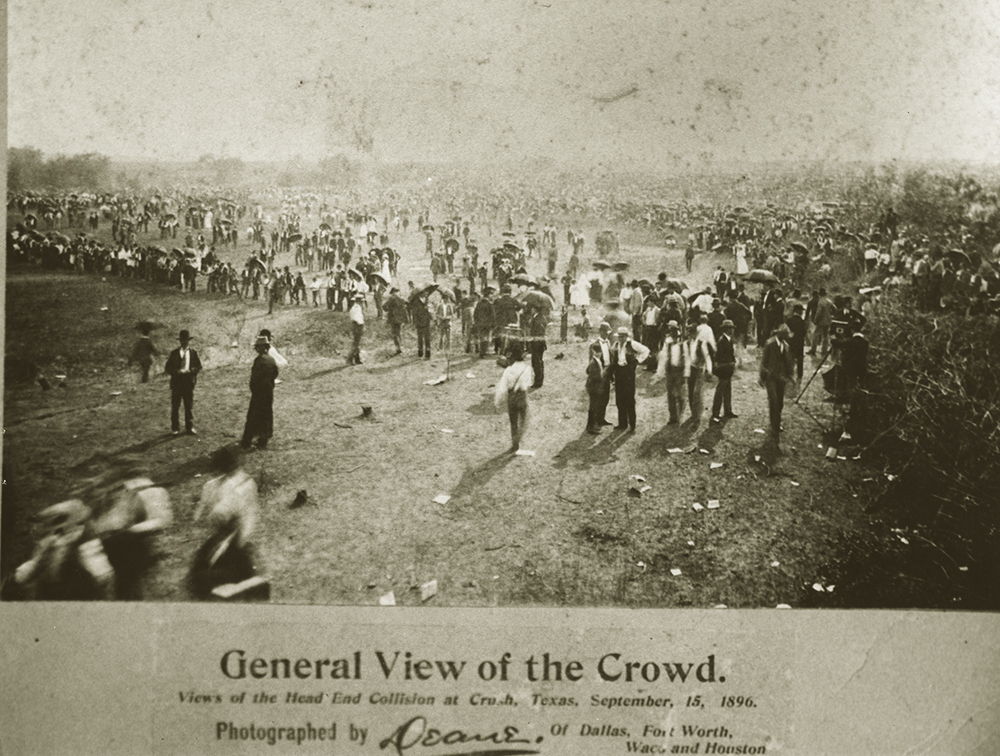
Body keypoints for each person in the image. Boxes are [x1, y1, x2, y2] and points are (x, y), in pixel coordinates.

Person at [189, 445, 264, 599]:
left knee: (234, 574)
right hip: (229, 535)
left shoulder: (241, 484)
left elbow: (224, 513)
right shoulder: (215, 485)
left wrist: (238, 536)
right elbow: (204, 515)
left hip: (234, 535)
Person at [240, 336, 279, 450]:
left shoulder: (259, 360)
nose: (256, 349)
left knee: (252, 417)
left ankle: (246, 442)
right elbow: (275, 374)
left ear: (263, 348)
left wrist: (254, 388)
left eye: (258, 347)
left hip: (258, 393)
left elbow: (255, 378)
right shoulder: (271, 359)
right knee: (266, 415)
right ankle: (263, 440)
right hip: (268, 392)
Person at [609, 327, 650, 432]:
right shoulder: (616, 345)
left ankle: (632, 424)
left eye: (622, 337)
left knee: (629, 400)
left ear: (626, 337)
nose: (620, 338)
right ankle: (622, 423)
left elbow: (646, 350)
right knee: (619, 399)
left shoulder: (632, 344)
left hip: (628, 374)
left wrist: (637, 360)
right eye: (619, 336)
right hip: (619, 373)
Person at [494, 343, 533, 453]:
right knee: (524, 419)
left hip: (512, 397)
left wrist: (497, 403)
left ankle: (515, 443)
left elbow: (502, 389)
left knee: (513, 422)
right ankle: (519, 438)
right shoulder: (527, 368)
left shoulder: (508, 370)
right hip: (522, 396)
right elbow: (529, 383)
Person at [759, 324, 795, 437]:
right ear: (779, 334)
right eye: (784, 335)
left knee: (780, 402)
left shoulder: (786, 346)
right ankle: (774, 426)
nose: (786, 337)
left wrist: (790, 375)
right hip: (771, 377)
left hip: (782, 378)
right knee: (773, 401)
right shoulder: (770, 344)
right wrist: (762, 376)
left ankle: (777, 423)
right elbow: (764, 362)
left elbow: (788, 363)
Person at [164, 329, 201, 435]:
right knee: (175, 406)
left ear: (189, 341)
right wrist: (177, 372)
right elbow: (167, 368)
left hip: (188, 382)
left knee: (188, 406)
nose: (184, 342)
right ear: (180, 341)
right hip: (177, 383)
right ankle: (175, 428)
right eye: (182, 340)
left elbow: (199, 367)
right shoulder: (174, 353)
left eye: (186, 340)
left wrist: (191, 371)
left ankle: (190, 427)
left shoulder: (193, 353)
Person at [657, 320, 689, 424]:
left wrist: (686, 373)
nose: (675, 339)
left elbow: (687, 360)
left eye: (677, 337)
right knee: (670, 394)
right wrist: (661, 372)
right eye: (673, 336)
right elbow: (663, 358)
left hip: (679, 372)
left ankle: (681, 414)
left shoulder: (683, 346)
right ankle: (673, 417)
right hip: (670, 372)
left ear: (679, 337)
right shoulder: (668, 346)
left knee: (680, 394)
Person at [711, 320, 738, 422]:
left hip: (728, 369)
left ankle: (728, 411)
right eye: (730, 328)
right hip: (724, 369)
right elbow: (719, 357)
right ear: (726, 330)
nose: (732, 330)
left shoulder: (728, 340)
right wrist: (728, 364)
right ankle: (715, 413)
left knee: (727, 391)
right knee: (720, 391)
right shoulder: (722, 341)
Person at [591, 322, 614, 427]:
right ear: (600, 332)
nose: (607, 334)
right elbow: (592, 363)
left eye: (608, 332)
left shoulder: (608, 342)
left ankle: (601, 419)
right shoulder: (595, 345)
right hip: (599, 373)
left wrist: (611, 373)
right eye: (605, 332)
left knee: (605, 397)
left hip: (607, 372)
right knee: (597, 398)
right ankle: (594, 422)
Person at [585, 343, 607, 434]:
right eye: (596, 352)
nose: (598, 353)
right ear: (593, 352)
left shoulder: (596, 361)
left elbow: (587, 371)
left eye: (600, 352)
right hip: (594, 388)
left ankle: (591, 425)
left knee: (594, 406)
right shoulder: (594, 362)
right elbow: (594, 376)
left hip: (594, 387)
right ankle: (591, 427)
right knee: (593, 407)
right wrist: (602, 377)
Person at [784, 304, 807, 381]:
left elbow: (786, 331)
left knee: (790, 358)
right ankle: (800, 375)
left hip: (791, 342)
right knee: (800, 359)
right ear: (799, 311)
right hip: (800, 342)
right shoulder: (802, 321)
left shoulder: (789, 320)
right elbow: (804, 333)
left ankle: (789, 374)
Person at [384, 287, 408, 355]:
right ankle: (401, 347)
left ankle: (398, 349)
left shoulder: (392, 298)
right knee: (399, 332)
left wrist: (390, 310)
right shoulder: (402, 298)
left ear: (392, 292)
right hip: (400, 319)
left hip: (393, 319)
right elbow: (406, 305)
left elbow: (384, 307)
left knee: (395, 334)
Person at [411, 294, 433, 359]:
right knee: (420, 338)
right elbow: (414, 312)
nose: (425, 293)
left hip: (427, 322)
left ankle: (428, 353)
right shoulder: (416, 301)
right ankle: (420, 353)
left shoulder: (427, 299)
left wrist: (429, 309)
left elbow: (431, 310)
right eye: (424, 292)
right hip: (419, 322)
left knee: (427, 338)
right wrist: (414, 322)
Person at [348, 296, 365, 364]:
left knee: (357, 342)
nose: (362, 302)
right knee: (356, 343)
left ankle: (357, 359)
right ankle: (350, 359)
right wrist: (361, 324)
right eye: (361, 301)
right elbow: (356, 317)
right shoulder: (357, 308)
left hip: (355, 325)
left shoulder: (354, 307)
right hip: (357, 325)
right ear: (359, 301)